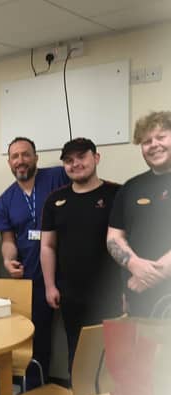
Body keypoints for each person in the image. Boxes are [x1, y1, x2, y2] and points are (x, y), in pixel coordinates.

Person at [0, 136, 69, 388]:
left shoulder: (58, 177)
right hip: (33, 277)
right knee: (38, 338)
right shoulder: (4, 202)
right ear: (9, 163)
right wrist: (7, 259)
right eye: (15, 156)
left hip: (71, 270)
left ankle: (84, 391)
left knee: (80, 334)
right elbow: (8, 239)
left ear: (36, 157)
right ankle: (37, 388)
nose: (20, 161)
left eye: (26, 154)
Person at [41, 138, 122, 374]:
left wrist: (127, 288)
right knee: (77, 355)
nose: (75, 164)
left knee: (113, 357)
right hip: (70, 294)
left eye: (81, 157)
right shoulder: (55, 200)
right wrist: (49, 286)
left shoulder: (117, 194)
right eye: (68, 160)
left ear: (96, 158)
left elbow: (128, 244)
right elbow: (47, 246)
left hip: (111, 292)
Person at [107, 111, 171, 318]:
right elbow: (114, 237)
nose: (153, 145)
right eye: (146, 141)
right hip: (138, 299)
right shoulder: (131, 187)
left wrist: (150, 275)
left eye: (161, 137)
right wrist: (134, 264)